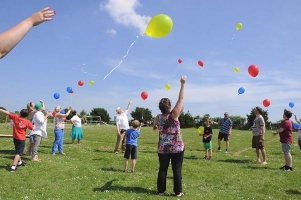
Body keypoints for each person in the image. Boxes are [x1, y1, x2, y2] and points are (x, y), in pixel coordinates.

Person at [153, 75, 186, 197]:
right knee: (176, 170)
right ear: (169, 106)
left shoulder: (157, 117)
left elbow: (154, 127)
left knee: (163, 169)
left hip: (163, 148)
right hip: (177, 148)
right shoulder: (173, 115)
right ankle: (178, 192)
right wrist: (183, 83)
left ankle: (160, 191)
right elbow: (181, 99)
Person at [0, 108, 34, 172]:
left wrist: (0, 110)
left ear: (20, 113)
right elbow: (32, 128)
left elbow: (7, 112)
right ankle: (13, 167)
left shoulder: (15, 117)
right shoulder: (27, 122)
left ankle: (19, 162)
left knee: (17, 150)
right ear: (26, 116)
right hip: (21, 139)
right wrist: (34, 126)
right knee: (19, 153)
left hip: (15, 138)